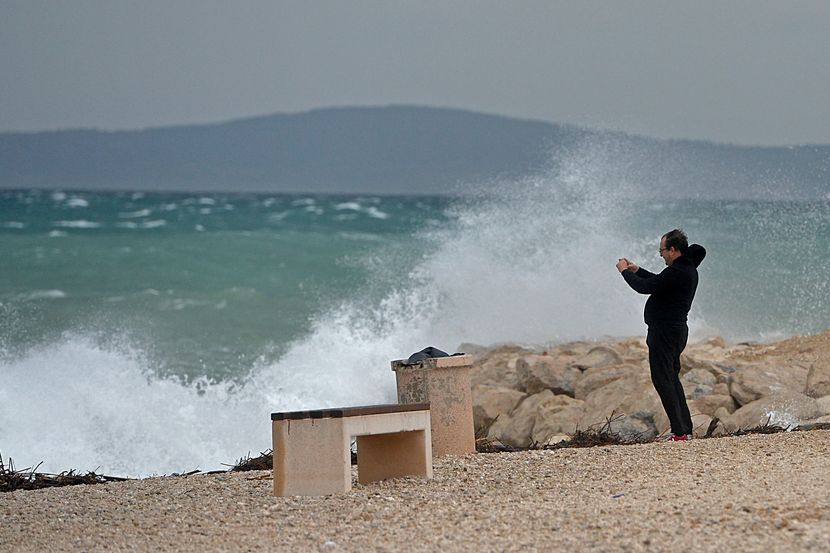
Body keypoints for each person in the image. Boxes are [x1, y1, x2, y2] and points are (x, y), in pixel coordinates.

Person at [615, 229, 705, 441]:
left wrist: (624, 272)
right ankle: (684, 429)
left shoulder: (677, 272)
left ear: (672, 250)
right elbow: (657, 282)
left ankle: (679, 432)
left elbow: (644, 287)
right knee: (671, 378)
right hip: (675, 331)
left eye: (662, 251)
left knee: (663, 379)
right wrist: (638, 270)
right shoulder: (685, 269)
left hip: (665, 331)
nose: (661, 255)